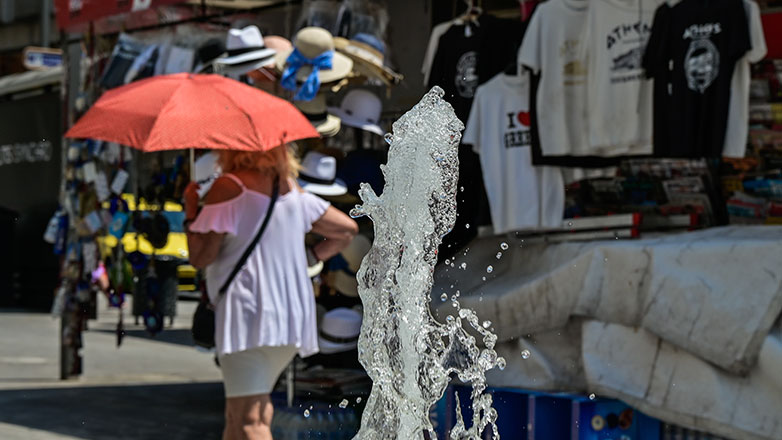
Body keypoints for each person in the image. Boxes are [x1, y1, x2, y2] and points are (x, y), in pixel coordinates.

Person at [183, 145, 358, 440]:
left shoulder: (229, 186)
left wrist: (190, 210)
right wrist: (311, 257)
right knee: (241, 416)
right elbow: (347, 230)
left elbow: (201, 257)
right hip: (289, 317)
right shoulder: (289, 189)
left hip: (247, 317)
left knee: (249, 420)